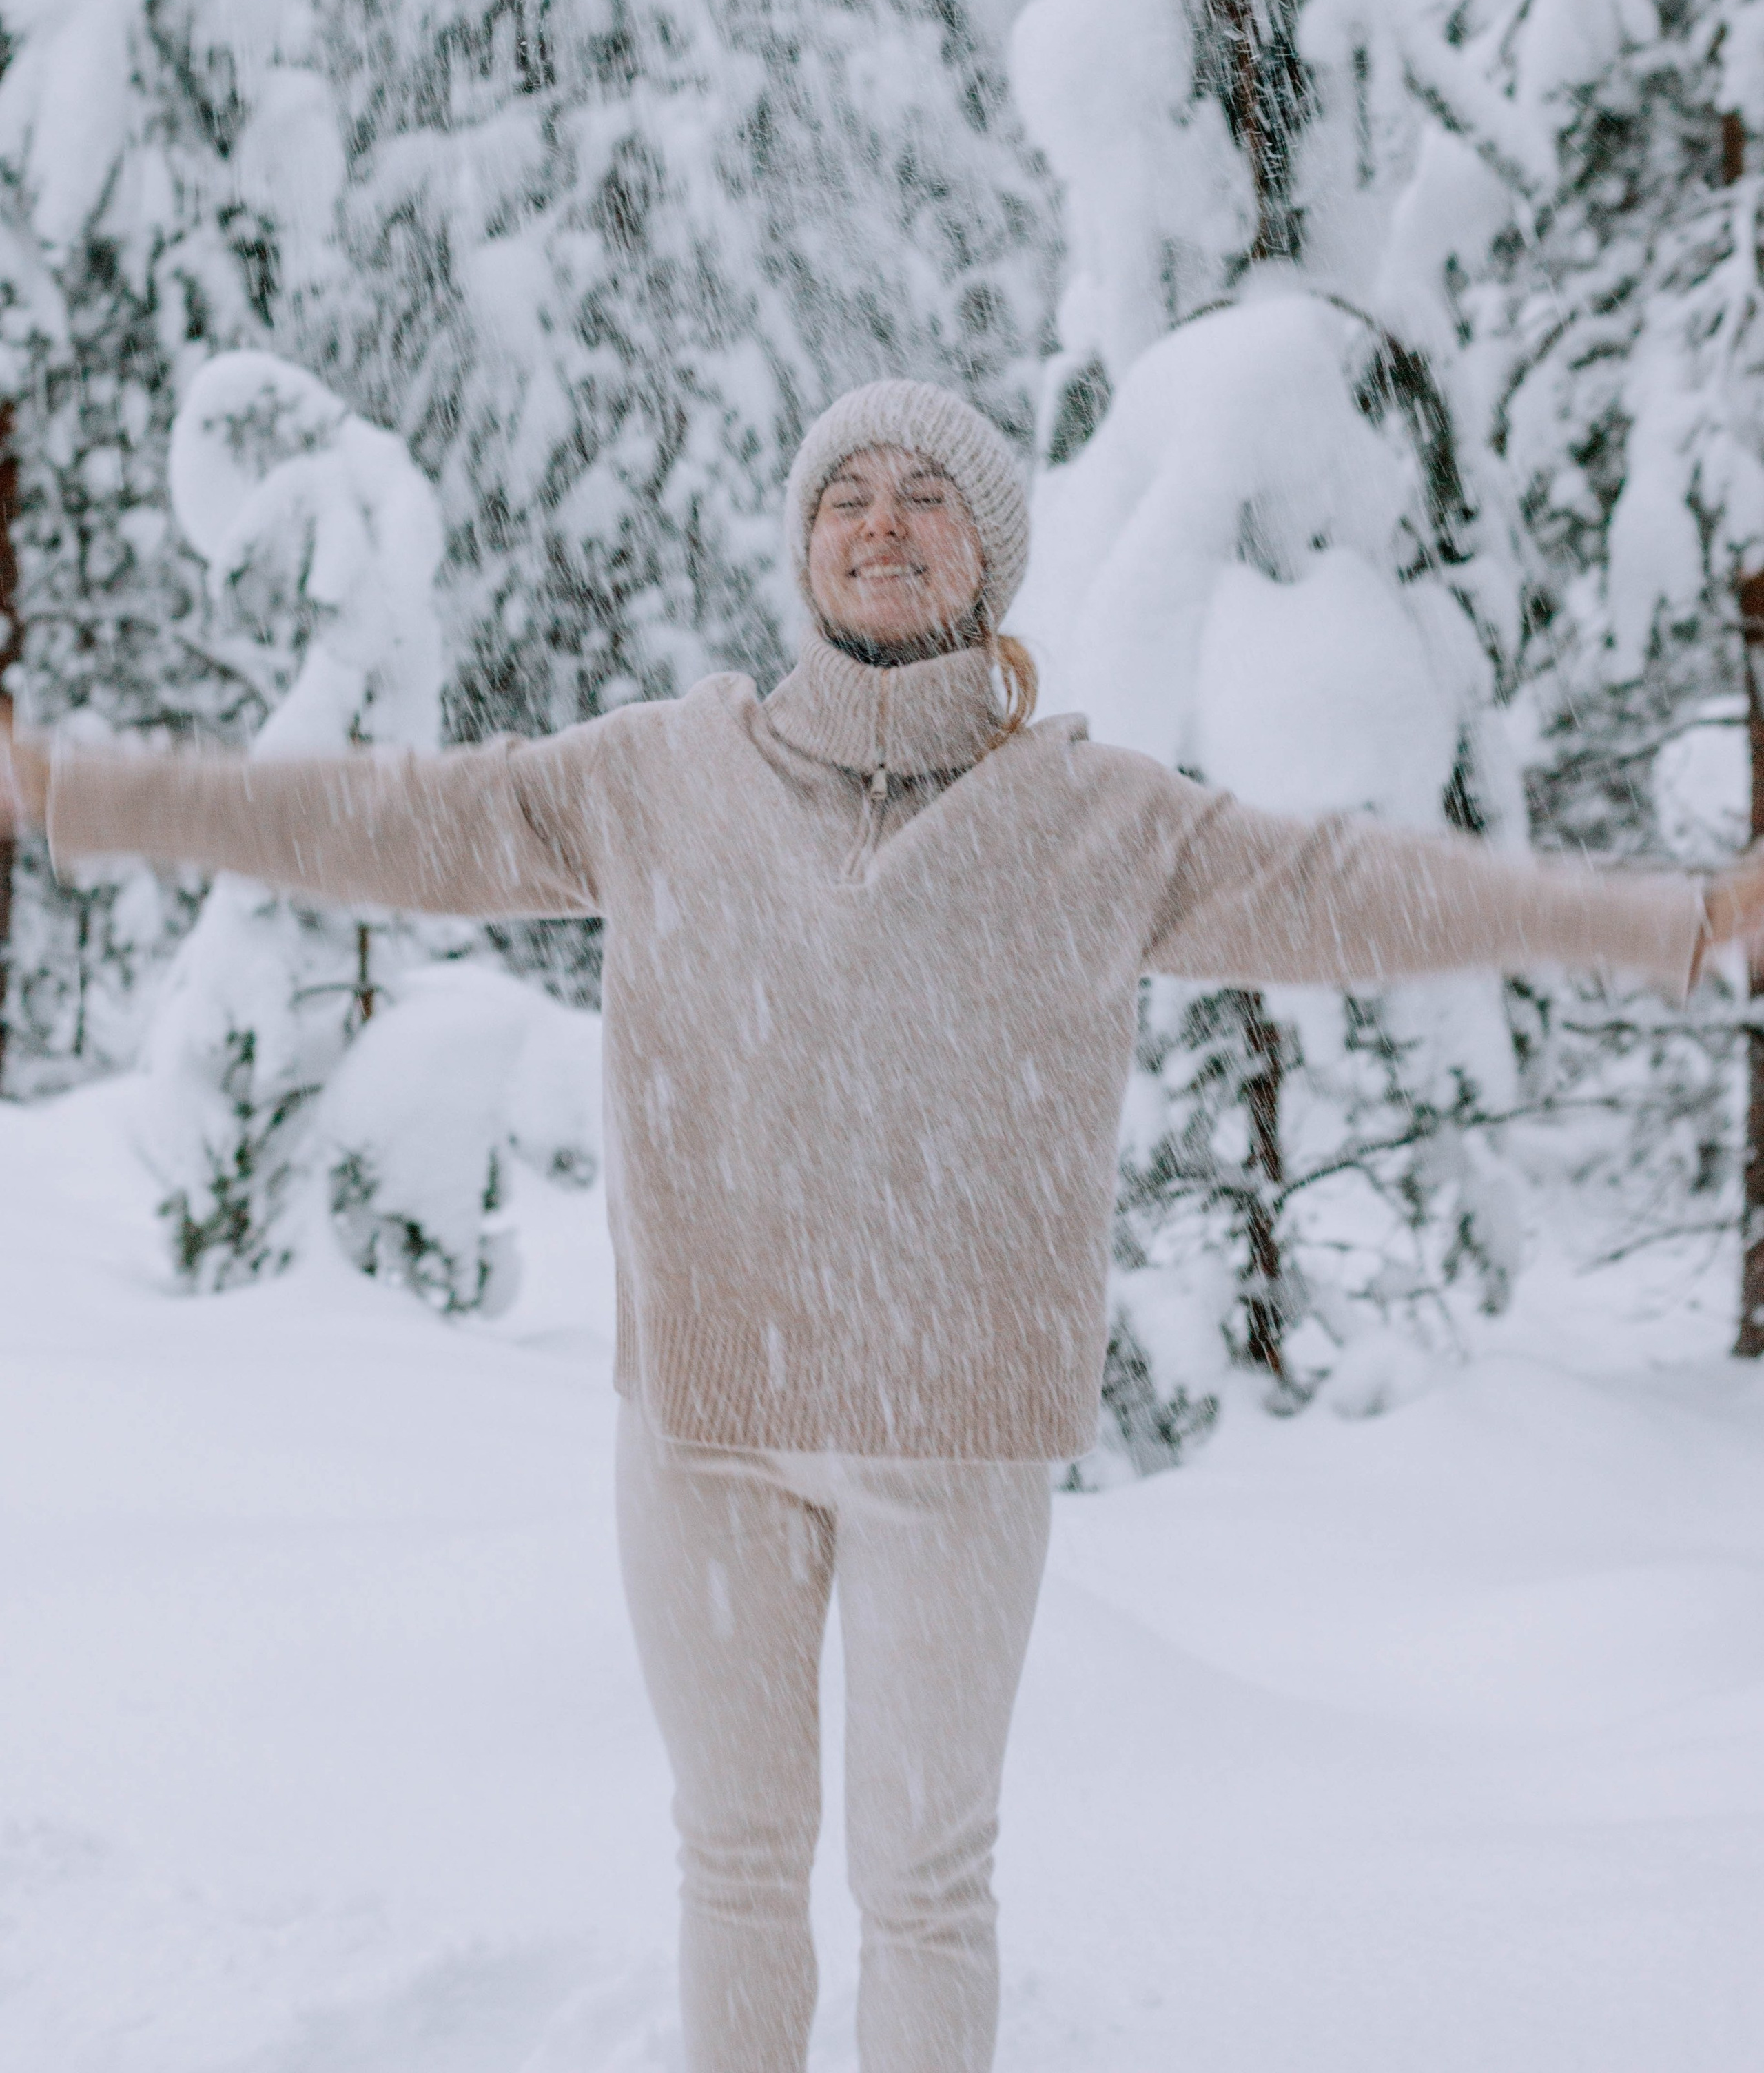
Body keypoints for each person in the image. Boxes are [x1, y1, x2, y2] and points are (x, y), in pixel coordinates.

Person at [3, 373, 1763, 2073]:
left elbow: (1359, 887)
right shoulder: (658, 780)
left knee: (923, 1889)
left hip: (955, 1429)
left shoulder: (1094, 821)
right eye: (844, 497)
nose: (879, 524)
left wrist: (1668, 920)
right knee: (736, 1861)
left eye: (924, 496)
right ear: (802, 550)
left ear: (985, 555)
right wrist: (89, 792)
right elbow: (388, 820)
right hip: (705, 1424)